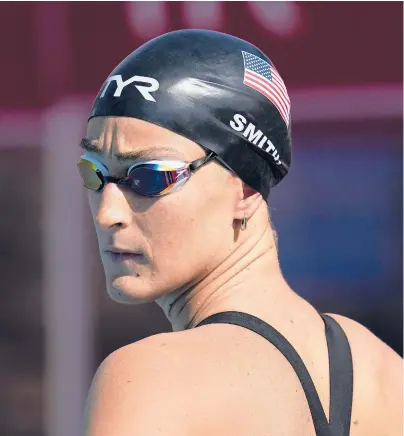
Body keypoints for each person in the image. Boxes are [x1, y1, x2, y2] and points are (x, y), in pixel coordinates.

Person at [79, 29, 402, 436]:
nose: (108, 213)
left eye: (150, 177)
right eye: (93, 172)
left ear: (246, 188)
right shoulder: (386, 376)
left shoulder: (151, 380)